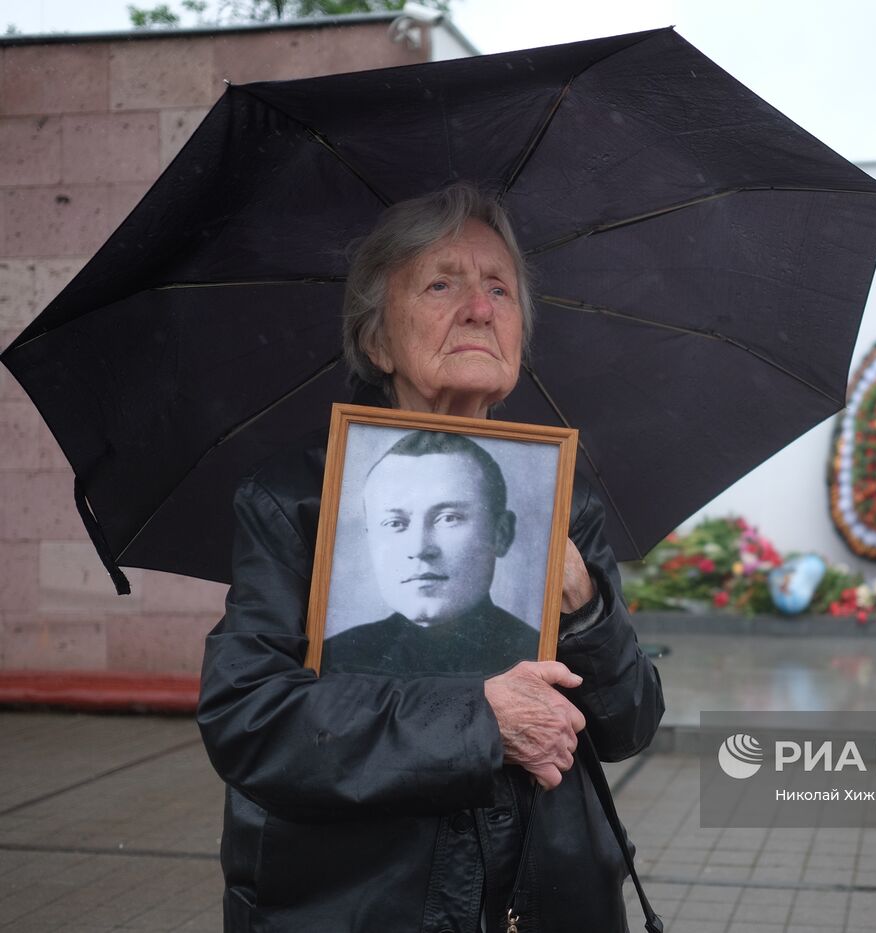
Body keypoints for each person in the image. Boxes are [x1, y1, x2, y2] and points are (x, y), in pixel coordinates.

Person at [197, 184, 664, 933]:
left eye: (499, 289)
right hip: (352, 906)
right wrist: (481, 721)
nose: (479, 309)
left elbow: (630, 724)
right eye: (442, 283)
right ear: (378, 340)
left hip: (549, 901)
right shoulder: (297, 500)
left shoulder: (561, 501)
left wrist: (589, 609)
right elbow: (249, 717)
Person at [322, 430, 540, 676]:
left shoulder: (542, 658)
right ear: (370, 538)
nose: (419, 549)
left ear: (501, 534)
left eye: (448, 518)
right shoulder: (333, 662)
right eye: (395, 523)